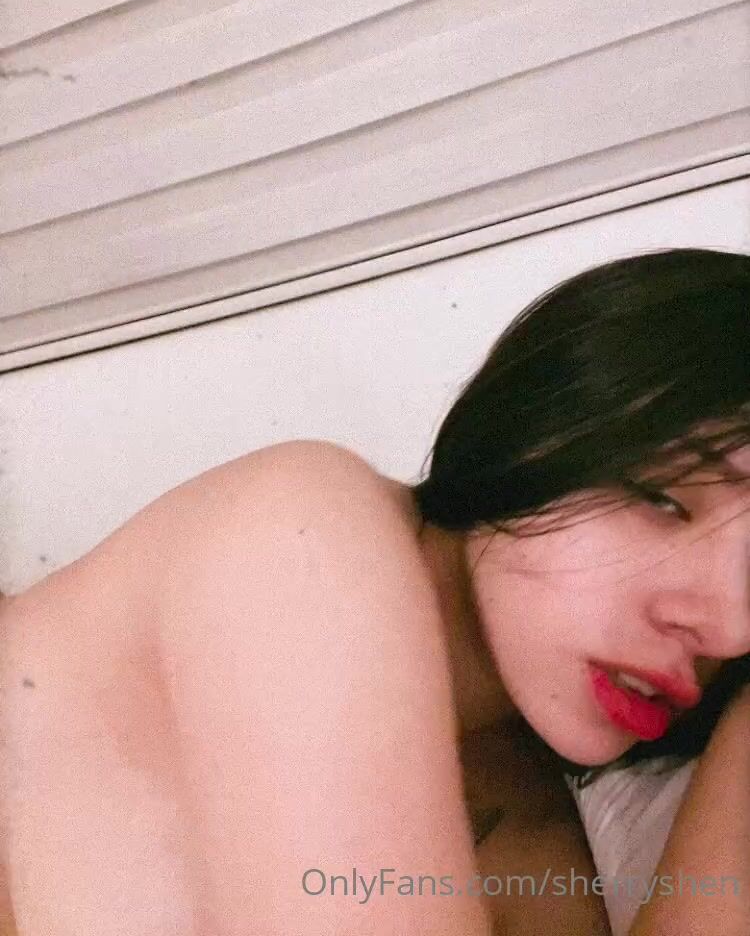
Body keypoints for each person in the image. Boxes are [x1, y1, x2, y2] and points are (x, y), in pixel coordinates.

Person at [0, 247, 748, 935]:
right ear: (550, 423)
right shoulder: (304, 526)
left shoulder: (521, 817)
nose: (729, 628)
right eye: (665, 500)